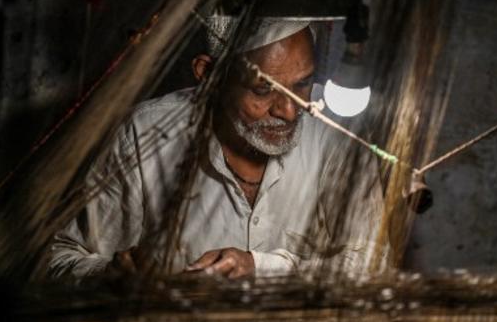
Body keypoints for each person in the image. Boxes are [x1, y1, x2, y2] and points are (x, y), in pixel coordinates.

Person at [48, 17, 389, 281]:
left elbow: (373, 265)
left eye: (302, 84)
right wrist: (110, 274)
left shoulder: (336, 134)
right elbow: (60, 259)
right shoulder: (145, 134)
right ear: (208, 75)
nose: (288, 110)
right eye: (261, 90)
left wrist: (261, 268)